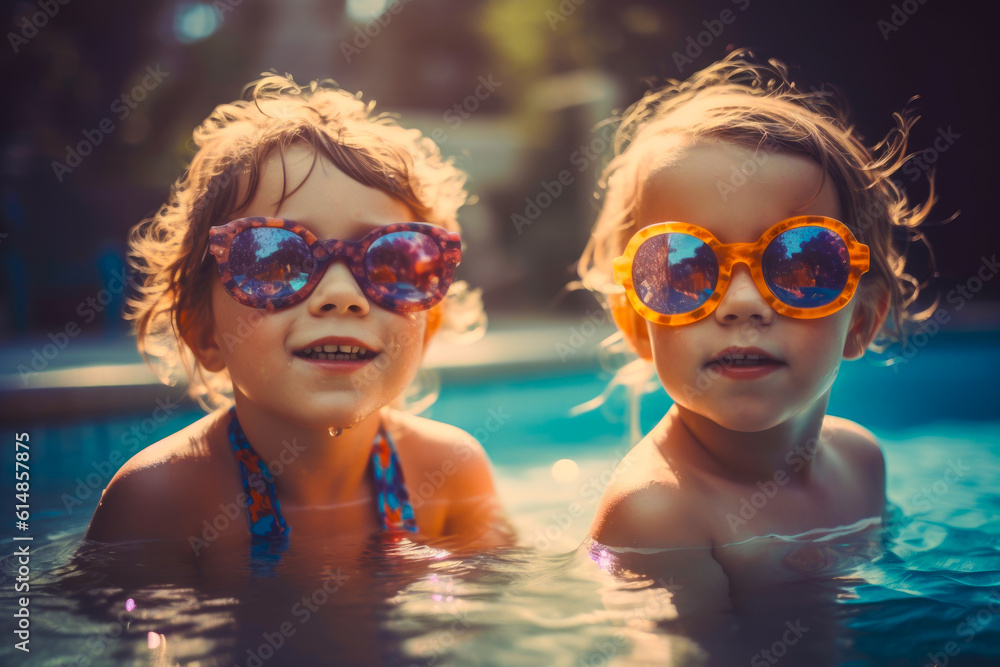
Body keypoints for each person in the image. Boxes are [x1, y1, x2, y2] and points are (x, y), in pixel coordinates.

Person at [85, 73, 510, 564]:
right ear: (204, 332)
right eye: (273, 261)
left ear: (427, 326)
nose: (341, 296)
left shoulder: (450, 474)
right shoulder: (164, 501)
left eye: (391, 262)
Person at [575, 50, 934, 610]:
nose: (742, 304)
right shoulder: (658, 514)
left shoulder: (862, 461)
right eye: (682, 269)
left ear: (861, 318)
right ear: (636, 324)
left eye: (803, 265)